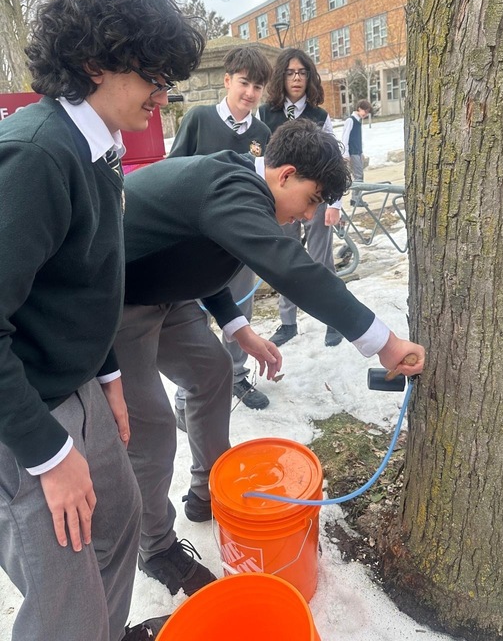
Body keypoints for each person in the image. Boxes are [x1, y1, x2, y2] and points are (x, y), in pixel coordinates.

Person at [115, 120, 424, 601]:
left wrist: (240, 328)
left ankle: (208, 491)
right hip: (119, 298)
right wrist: (382, 342)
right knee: (150, 428)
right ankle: (155, 546)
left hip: (166, 295)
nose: (309, 214)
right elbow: (290, 267)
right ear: (285, 175)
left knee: (213, 372)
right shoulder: (232, 186)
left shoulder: (242, 191)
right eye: (312, 198)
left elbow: (192, 254)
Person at [0, 0, 204, 641]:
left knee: (117, 529)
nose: (162, 92)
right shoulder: (36, 156)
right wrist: (49, 457)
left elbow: (85, 283)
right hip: (24, 415)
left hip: (82, 386)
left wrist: (110, 377)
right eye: (152, 73)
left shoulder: (99, 148)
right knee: (65, 607)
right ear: (94, 62)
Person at [169, 45, 273, 410]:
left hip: (238, 243)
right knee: (194, 312)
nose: (250, 93)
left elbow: (264, 186)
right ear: (228, 80)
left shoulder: (262, 132)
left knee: (240, 309)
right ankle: (189, 387)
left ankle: (237, 376)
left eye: (258, 87)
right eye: (244, 82)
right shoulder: (198, 119)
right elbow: (173, 173)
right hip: (196, 242)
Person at [259, 48, 344, 348]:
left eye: (302, 72)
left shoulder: (320, 116)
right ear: (281, 76)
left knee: (322, 258)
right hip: (281, 199)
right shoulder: (265, 115)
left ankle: (333, 318)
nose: (296, 78)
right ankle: (288, 322)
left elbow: (337, 161)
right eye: (290, 72)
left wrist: (334, 204)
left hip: (317, 198)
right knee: (284, 257)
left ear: (309, 76)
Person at [341, 98, 373, 207]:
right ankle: (355, 199)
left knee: (359, 175)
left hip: (357, 152)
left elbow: (358, 138)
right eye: (365, 111)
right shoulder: (351, 120)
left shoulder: (359, 121)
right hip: (352, 152)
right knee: (358, 176)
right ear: (359, 108)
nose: (366, 113)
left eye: (367, 112)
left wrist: (361, 152)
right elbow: (345, 138)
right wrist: (345, 154)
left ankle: (356, 199)